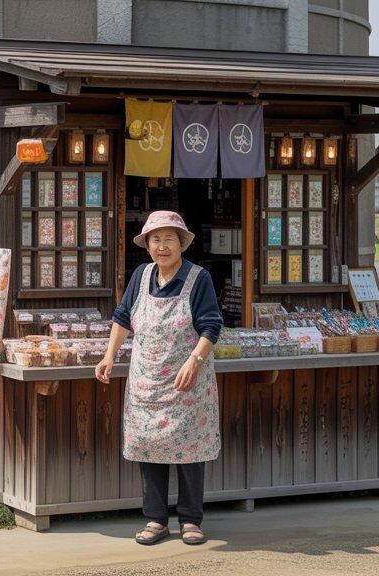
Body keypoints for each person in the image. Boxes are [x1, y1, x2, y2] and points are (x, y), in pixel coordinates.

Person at [96, 210, 222, 546]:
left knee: (189, 450)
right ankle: (155, 519)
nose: (162, 246)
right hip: (146, 381)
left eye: (169, 238)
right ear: (147, 245)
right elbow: (123, 317)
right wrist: (110, 355)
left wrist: (194, 360)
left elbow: (212, 325)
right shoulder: (141, 275)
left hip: (187, 382)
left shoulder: (199, 278)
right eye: (156, 239)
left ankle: (190, 520)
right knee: (149, 448)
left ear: (181, 243)